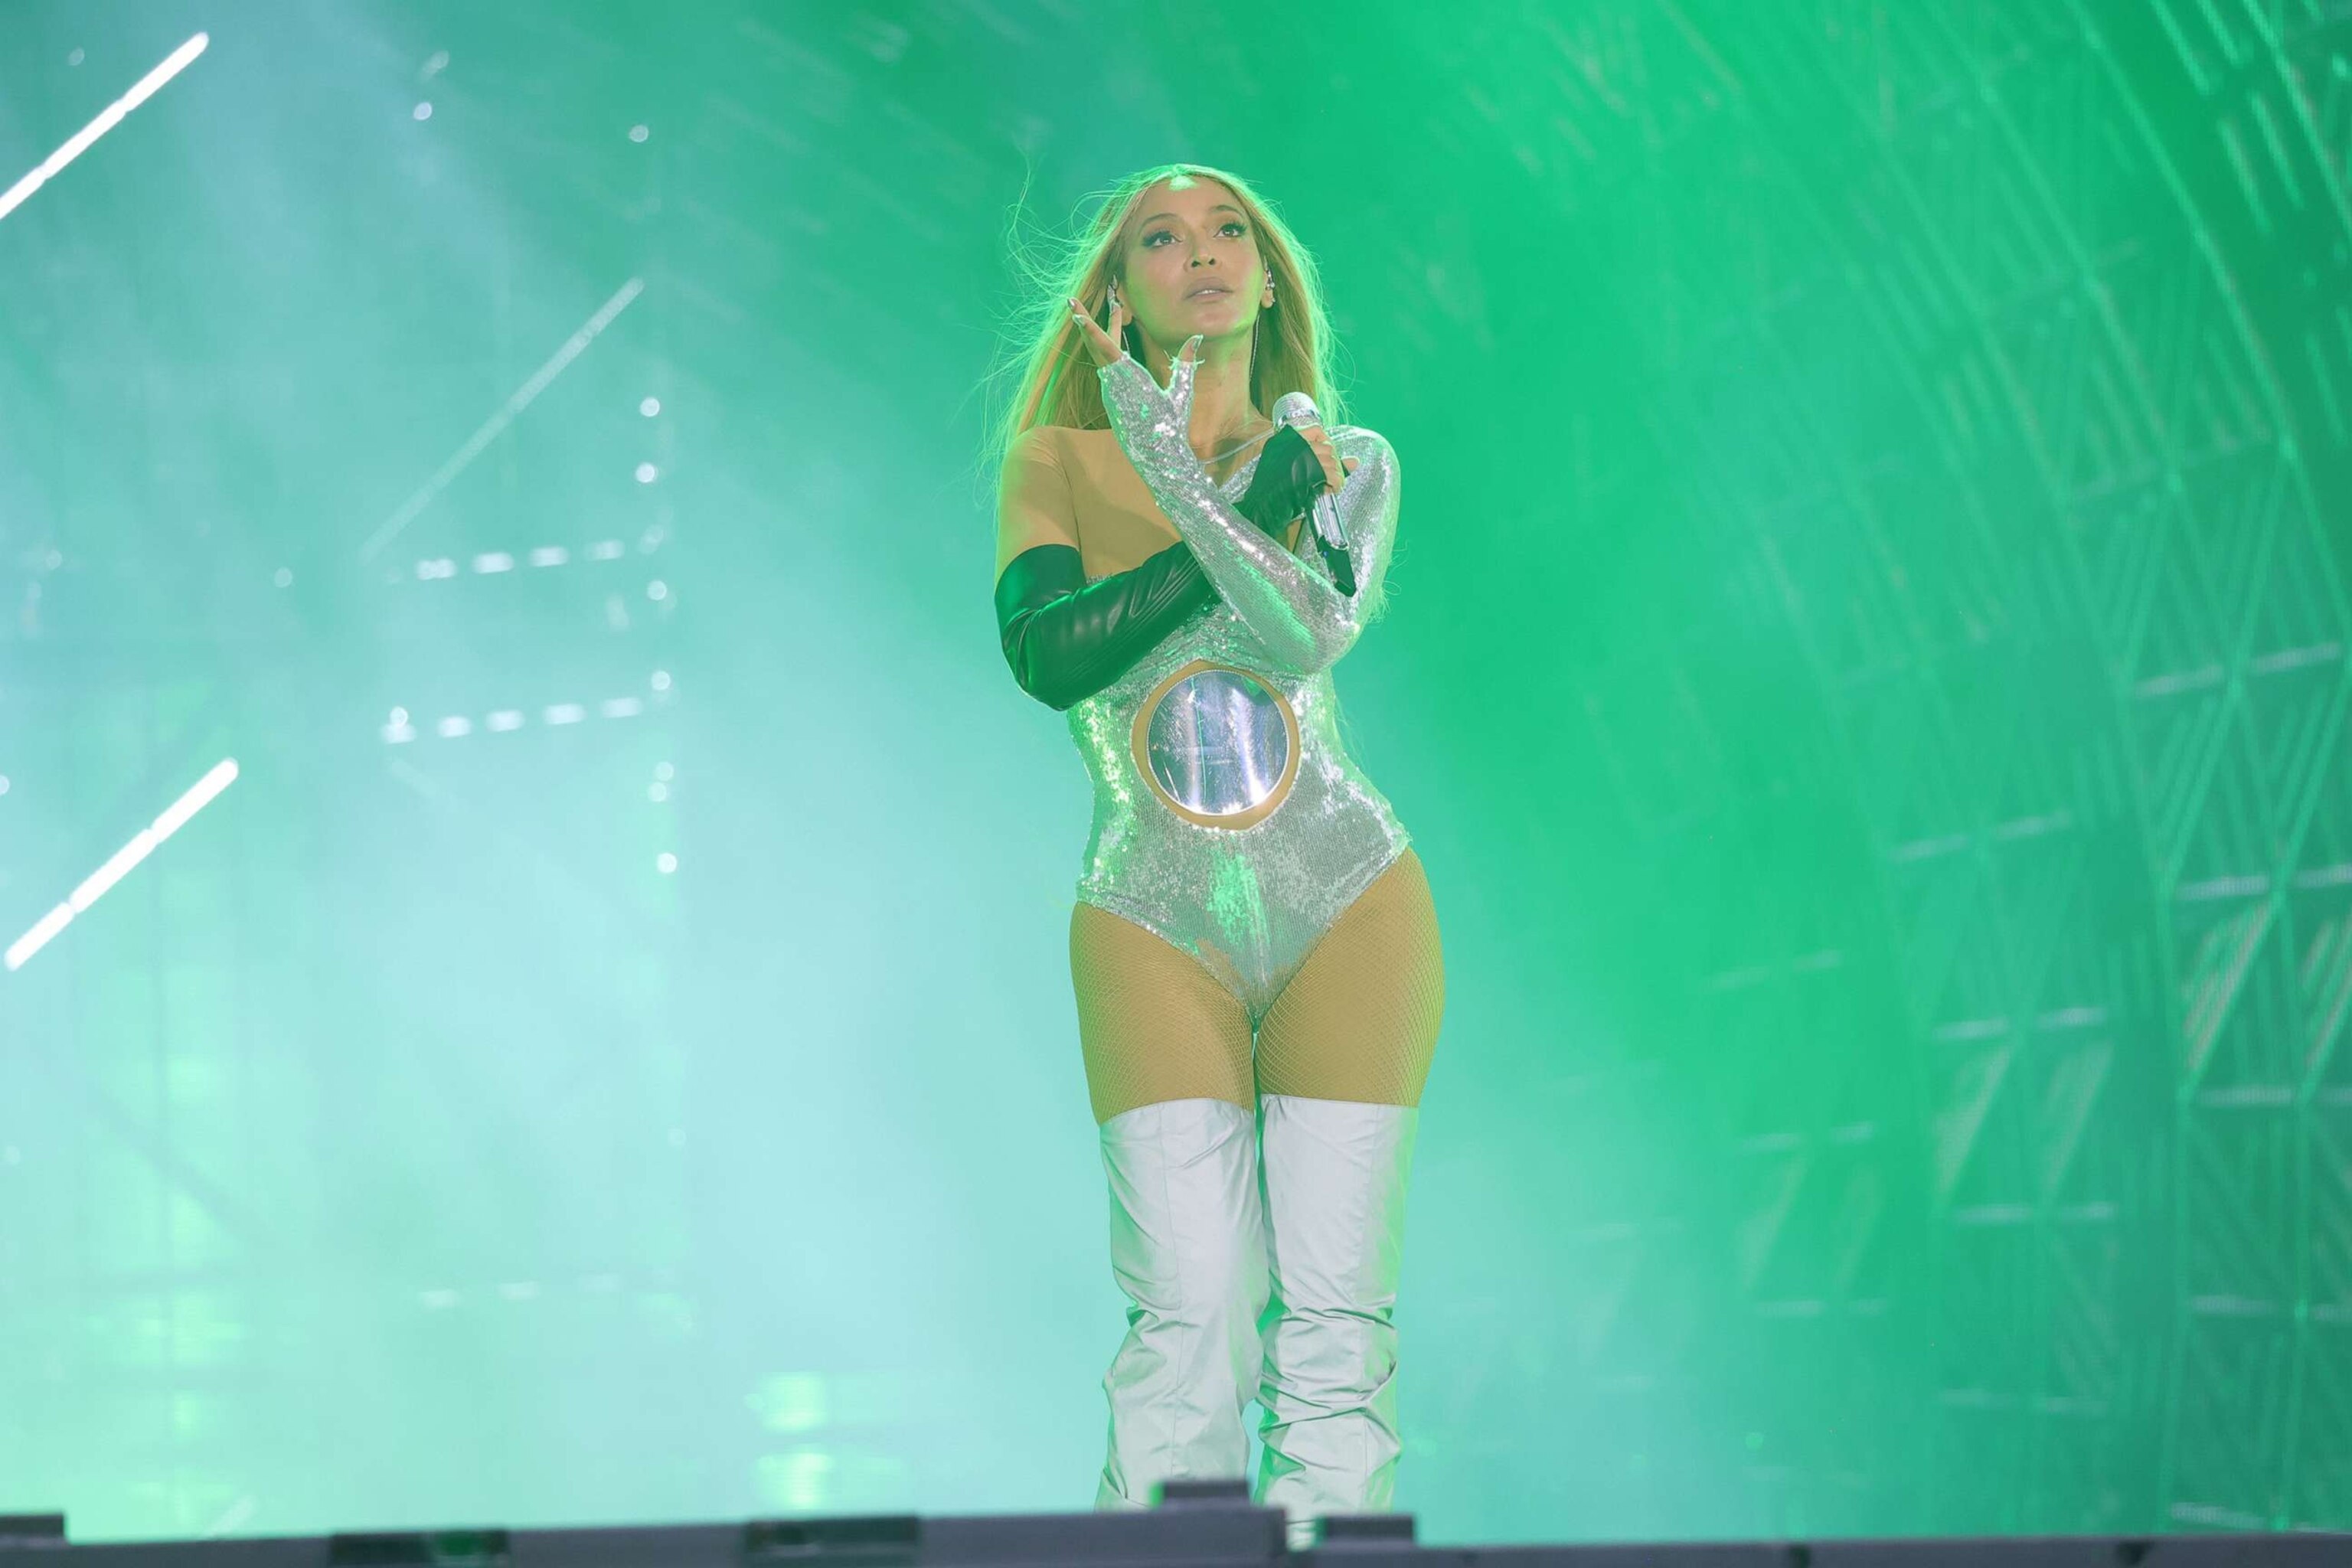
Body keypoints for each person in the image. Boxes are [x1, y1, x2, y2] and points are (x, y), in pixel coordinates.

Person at [986, 163, 1445, 1546]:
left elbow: (1307, 637)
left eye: (1231, 229)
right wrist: (1185, 474)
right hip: (1149, 915)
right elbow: (1049, 659)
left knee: (1336, 1332)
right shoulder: (1057, 463)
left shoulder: (1346, 461)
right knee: (1187, 1320)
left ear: (1269, 271)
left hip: (1350, 902)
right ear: (1113, 295)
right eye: (1161, 239)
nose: (1204, 253)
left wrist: (1188, 473)